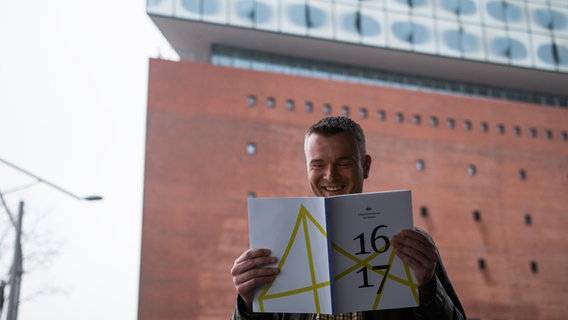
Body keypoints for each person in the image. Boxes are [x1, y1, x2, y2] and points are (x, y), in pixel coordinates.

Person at [231, 116, 466, 320]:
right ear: (307, 168)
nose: (330, 176)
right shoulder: (275, 243)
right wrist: (247, 303)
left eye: (344, 163)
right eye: (318, 165)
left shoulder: (413, 243)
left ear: (366, 165)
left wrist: (427, 288)